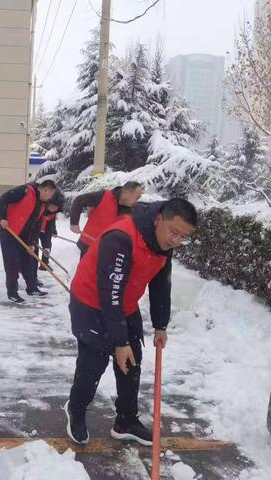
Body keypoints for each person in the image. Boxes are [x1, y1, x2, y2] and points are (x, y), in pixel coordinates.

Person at [65, 199, 197, 446]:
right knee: (93, 364)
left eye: (183, 237)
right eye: (174, 232)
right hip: (91, 301)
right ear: (159, 219)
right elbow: (110, 293)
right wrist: (119, 340)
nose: (176, 240)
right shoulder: (121, 238)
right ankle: (76, 409)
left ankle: (125, 421)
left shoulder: (163, 242)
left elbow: (160, 284)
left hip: (123, 303)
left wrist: (161, 325)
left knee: (131, 362)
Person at [0, 179, 56, 303]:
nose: (51, 198)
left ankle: (32, 288)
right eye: (51, 194)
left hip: (24, 236)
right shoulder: (25, 191)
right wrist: (3, 217)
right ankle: (12, 293)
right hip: (9, 232)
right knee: (12, 264)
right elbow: (4, 197)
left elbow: (36, 226)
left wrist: (32, 243)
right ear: (45, 190)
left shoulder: (41, 204)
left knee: (28, 262)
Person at [70, 181, 144, 258]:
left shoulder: (131, 210)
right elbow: (79, 200)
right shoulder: (103, 196)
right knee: (86, 270)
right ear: (126, 192)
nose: (137, 201)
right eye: (137, 197)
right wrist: (74, 223)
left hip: (109, 251)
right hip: (89, 246)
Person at [39, 191, 65, 271]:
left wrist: (53, 231)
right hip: (35, 228)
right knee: (33, 247)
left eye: (56, 207)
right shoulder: (40, 208)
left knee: (47, 246)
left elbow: (52, 221)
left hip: (46, 229)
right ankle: (24, 266)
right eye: (52, 206)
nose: (53, 209)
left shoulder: (54, 212)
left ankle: (44, 264)